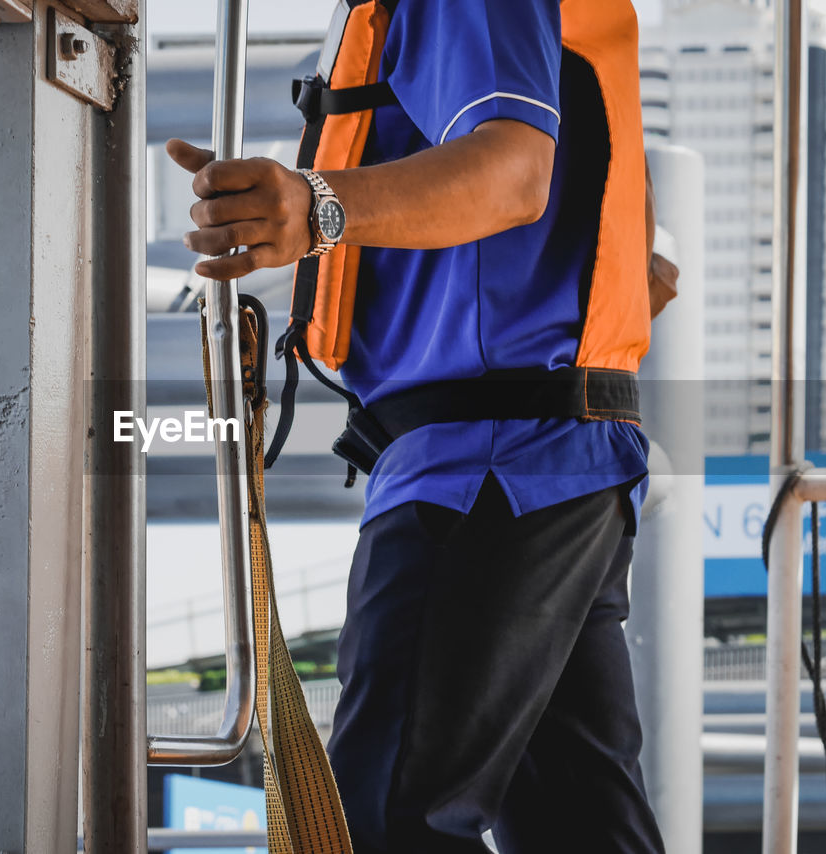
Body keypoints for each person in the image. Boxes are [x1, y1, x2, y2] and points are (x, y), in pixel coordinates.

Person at [168, 1, 667, 851]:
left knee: (385, 819)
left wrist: (316, 207)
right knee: (580, 832)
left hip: (487, 470)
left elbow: (515, 174)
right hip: (560, 458)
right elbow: (645, 268)